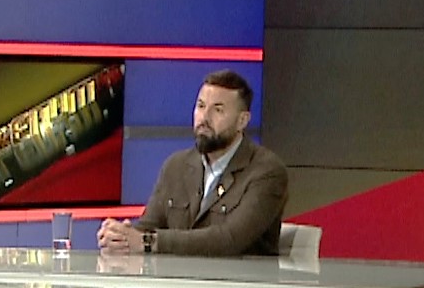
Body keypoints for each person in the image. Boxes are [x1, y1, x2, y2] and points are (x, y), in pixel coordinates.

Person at [97, 70, 289, 257]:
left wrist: (149, 242)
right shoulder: (176, 166)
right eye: (201, 106)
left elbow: (229, 239)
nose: (204, 118)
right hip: (176, 278)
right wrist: (120, 237)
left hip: (240, 278)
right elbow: (147, 228)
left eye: (218, 110)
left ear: (242, 121)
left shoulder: (267, 171)